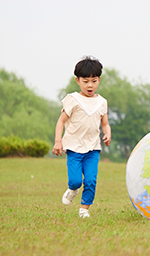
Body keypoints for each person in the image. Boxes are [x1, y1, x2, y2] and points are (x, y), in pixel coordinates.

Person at [53, 56, 111, 218]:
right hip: (74, 147)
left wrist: (107, 133)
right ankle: (73, 189)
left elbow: (105, 123)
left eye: (94, 80)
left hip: (93, 148)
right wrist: (58, 141)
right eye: (86, 81)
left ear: (99, 80)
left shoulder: (102, 102)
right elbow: (61, 121)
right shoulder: (73, 99)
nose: (90, 85)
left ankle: (84, 209)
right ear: (77, 80)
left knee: (91, 180)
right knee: (76, 181)